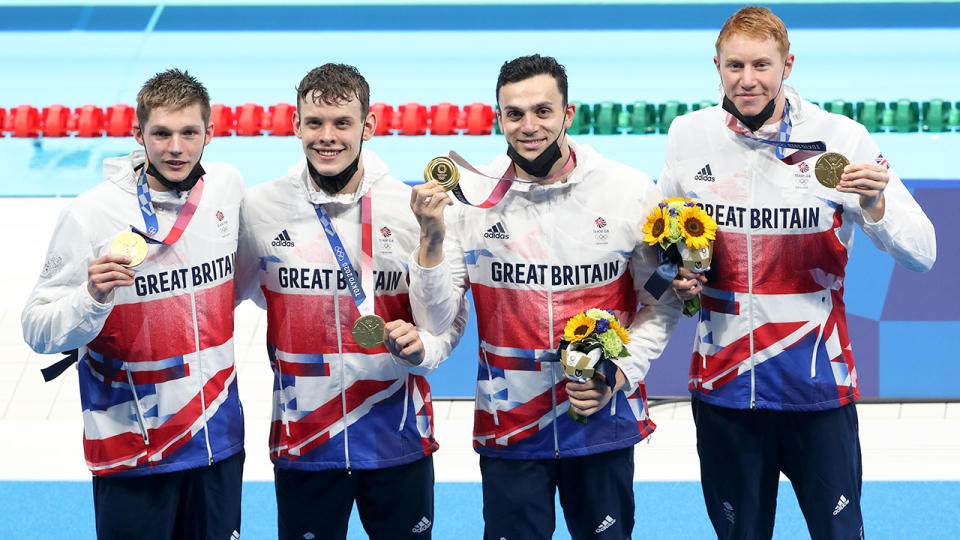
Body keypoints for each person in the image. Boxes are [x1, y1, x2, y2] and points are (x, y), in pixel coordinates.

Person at [659, 7, 937, 539]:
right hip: (724, 388)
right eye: (734, 66)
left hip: (817, 387)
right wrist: (673, 274)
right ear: (716, 65)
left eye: (761, 65)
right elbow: (664, 240)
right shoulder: (688, 135)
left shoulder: (842, 137)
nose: (747, 80)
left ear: (788, 64)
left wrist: (876, 205)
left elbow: (923, 252)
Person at [409, 54, 681, 539]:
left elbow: (661, 303)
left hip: (601, 418)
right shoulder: (470, 197)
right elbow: (437, 318)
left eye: (542, 111)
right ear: (498, 118)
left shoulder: (627, 190)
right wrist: (430, 240)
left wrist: (619, 373)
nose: (528, 126)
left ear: (568, 115)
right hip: (510, 424)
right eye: (514, 114)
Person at [234, 63, 467, 540]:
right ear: (295, 124)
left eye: (342, 123)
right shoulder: (260, 208)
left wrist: (430, 243)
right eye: (315, 122)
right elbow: (225, 295)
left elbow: (443, 319)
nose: (328, 137)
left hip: (396, 436)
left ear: (369, 125)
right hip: (306, 438)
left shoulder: (411, 207)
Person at [21, 69, 245, 539]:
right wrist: (90, 298)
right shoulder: (90, 213)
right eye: (161, 134)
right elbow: (37, 329)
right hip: (133, 451)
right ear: (138, 134)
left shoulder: (227, 188)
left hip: (216, 440)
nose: (176, 148)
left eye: (189, 133)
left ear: (211, 132)